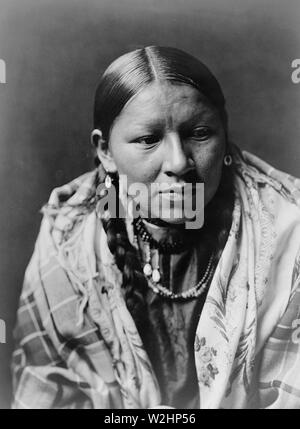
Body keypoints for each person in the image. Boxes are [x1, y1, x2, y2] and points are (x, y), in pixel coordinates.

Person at [11, 46, 300, 409]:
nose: (178, 161)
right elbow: (45, 390)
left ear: (224, 135)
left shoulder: (287, 230)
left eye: (199, 133)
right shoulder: (70, 239)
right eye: (148, 139)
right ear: (106, 152)